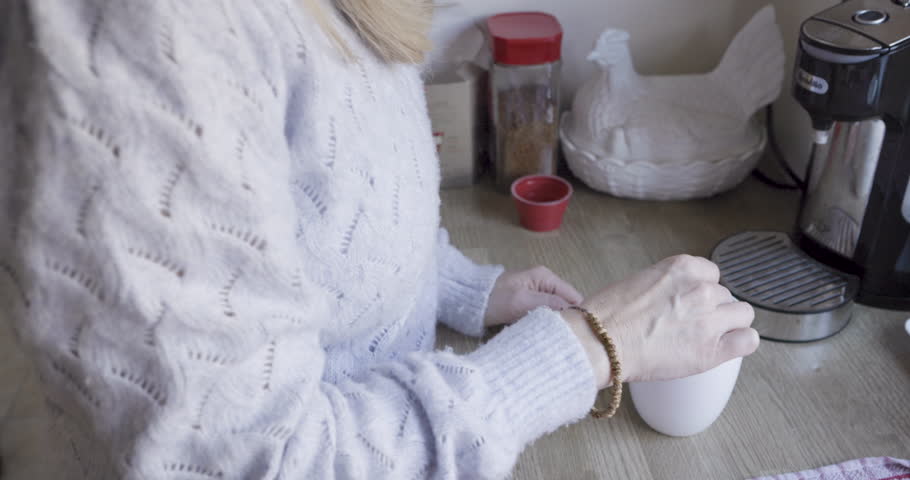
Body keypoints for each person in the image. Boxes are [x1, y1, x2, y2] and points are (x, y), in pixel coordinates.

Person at [0, 0, 758, 478]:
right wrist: (586, 348)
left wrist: (468, 288)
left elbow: (324, 206)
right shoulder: (142, 28)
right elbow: (244, 460)